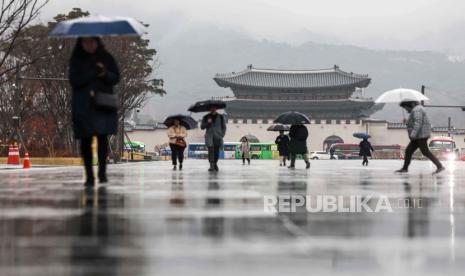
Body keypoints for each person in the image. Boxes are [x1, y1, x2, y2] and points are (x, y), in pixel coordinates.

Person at [69, 37, 120, 186]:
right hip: (83, 105)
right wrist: (92, 72)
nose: (89, 45)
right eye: (85, 42)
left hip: (103, 104)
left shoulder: (106, 57)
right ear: (81, 43)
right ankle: (89, 175)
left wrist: (104, 73)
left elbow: (116, 77)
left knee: (102, 138)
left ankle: (102, 173)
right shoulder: (77, 59)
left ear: (97, 42)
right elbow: (74, 80)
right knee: (86, 139)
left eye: (92, 42)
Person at [396, 100, 445, 174]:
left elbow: (418, 122)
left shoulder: (417, 110)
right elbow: (414, 122)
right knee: (409, 151)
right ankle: (405, 168)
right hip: (419, 135)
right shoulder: (416, 110)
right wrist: (407, 122)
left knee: (424, 151)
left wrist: (413, 134)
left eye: (406, 108)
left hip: (420, 135)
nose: (406, 110)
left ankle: (440, 166)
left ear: (410, 105)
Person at [201, 107, 226, 172]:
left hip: (218, 136)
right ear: (210, 109)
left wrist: (222, 135)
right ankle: (211, 165)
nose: (213, 109)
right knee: (211, 151)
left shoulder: (221, 117)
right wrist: (208, 123)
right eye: (211, 108)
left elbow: (224, 127)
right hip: (209, 136)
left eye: (214, 108)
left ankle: (215, 163)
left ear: (216, 108)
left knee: (216, 152)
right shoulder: (206, 117)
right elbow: (202, 127)